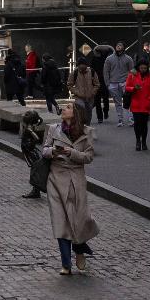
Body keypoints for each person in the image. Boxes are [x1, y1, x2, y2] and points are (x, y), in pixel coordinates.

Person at [43, 100, 99, 275]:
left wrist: (72, 153)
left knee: (78, 221)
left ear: (75, 113)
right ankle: (66, 264)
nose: (63, 109)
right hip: (56, 179)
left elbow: (89, 157)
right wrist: (53, 151)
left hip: (76, 179)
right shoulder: (53, 129)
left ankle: (80, 250)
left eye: (67, 107)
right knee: (61, 222)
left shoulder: (86, 132)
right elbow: (44, 150)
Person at [124, 57, 150, 152]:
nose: (143, 70)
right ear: (138, 67)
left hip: (146, 104)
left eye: (145, 68)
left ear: (147, 68)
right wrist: (134, 88)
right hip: (136, 103)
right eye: (141, 68)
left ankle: (144, 142)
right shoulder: (132, 75)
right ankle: (138, 141)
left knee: (144, 124)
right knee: (137, 124)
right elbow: (127, 87)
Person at [19, 110, 50, 200]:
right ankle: (36, 190)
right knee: (35, 169)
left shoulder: (29, 128)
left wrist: (31, 145)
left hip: (30, 151)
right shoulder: (32, 126)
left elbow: (36, 138)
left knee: (35, 169)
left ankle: (36, 191)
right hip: (29, 150)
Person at [102, 44, 135, 127]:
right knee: (117, 102)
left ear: (124, 47)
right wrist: (107, 84)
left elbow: (132, 71)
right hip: (113, 83)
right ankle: (120, 119)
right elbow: (106, 71)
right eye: (117, 45)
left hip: (125, 82)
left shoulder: (128, 58)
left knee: (129, 101)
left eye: (120, 45)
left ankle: (131, 118)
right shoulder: (109, 59)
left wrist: (132, 83)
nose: (118, 47)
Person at [69, 58, 100, 126]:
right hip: (79, 97)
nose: (82, 66)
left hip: (90, 97)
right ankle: (81, 126)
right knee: (81, 110)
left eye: (83, 65)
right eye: (80, 65)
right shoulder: (74, 73)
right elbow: (70, 85)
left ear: (86, 65)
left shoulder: (92, 72)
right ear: (78, 65)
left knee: (89, 113)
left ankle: (87, 127)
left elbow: (97, 84)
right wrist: (76, 92)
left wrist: (93, 92)